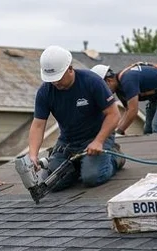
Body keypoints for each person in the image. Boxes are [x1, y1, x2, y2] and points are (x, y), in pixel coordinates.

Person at [27, 46, 123, 192]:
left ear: (70, 69)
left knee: (92, 177)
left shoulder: (92, 81)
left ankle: (115, 158)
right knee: (53, 183)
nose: (55, 83)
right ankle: (81, 164)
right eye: (51, 80)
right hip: (68, 142)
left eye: (58, 78)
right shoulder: (45, 92)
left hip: (96, 137)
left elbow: (114, 114)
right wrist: (33, 154)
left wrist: (98, 141)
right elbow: (38, 125)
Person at [91, 62, 157, 135]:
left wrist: (119, 132)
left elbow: (133, 111)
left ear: (109, 80)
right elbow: (127, 111)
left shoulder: (127, 80)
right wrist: (117, 130)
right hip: (156, 95)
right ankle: (153, 153)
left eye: (102, 88)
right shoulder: (119, 89)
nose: (103, 92)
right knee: (148, 130)